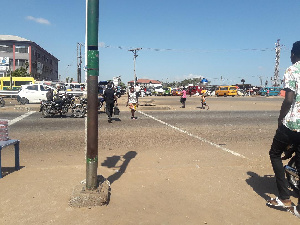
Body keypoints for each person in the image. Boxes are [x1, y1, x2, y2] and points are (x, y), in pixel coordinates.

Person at [267, 41, 300, 219]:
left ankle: (284, 198)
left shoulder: (292, 69)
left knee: (274, 153)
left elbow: (288, 99)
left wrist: (280, 118)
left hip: (294, 124)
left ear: (294, 54)